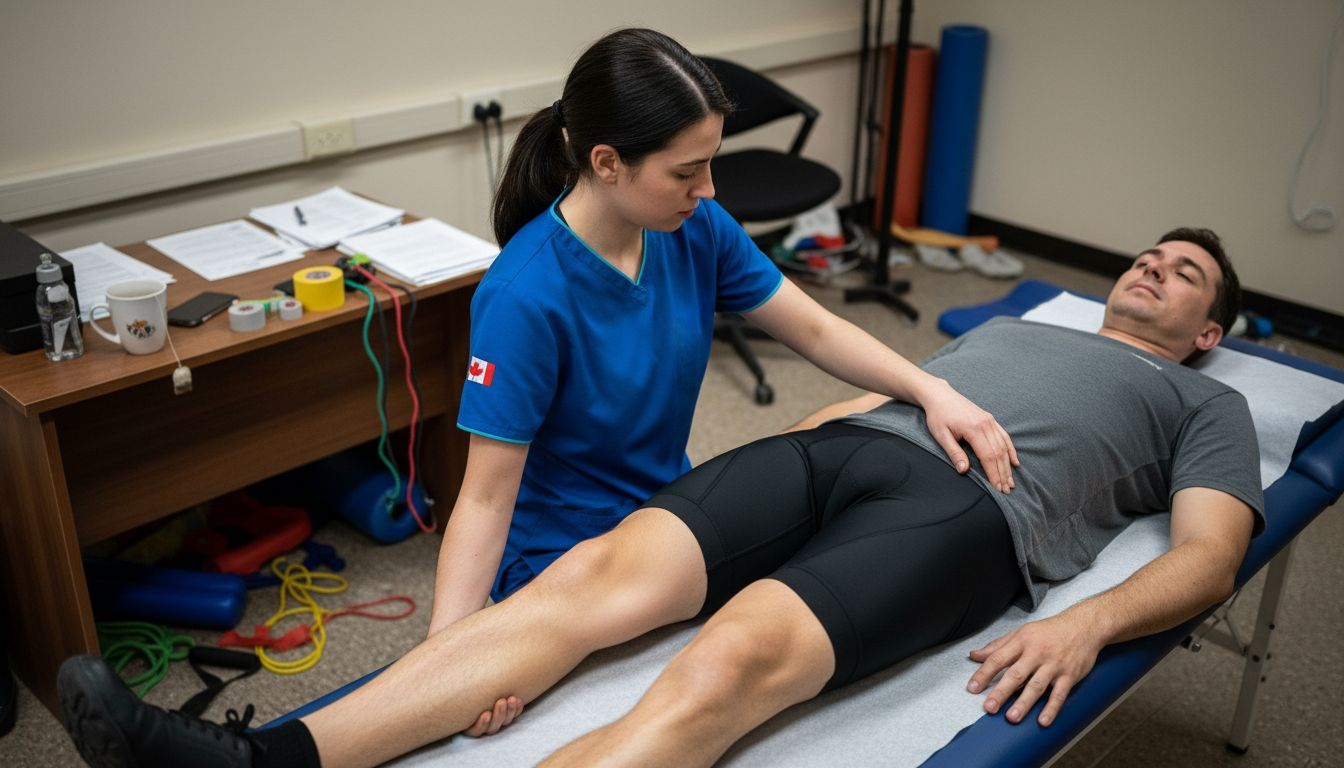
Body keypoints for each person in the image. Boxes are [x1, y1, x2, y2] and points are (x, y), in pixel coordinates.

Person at [57, 227, 1263, 767]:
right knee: (586, 581)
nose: (1151, 270)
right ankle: (258, 763)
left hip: (968, 512)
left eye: (1183, 275)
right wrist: (810, 443)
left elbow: (1210, 556)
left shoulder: (1201, 406)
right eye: (1149, 255)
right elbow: (888, 376)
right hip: (835, 449)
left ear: (1209, 332)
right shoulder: (1013, 323)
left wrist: (1087, 621)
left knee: (724, 665)